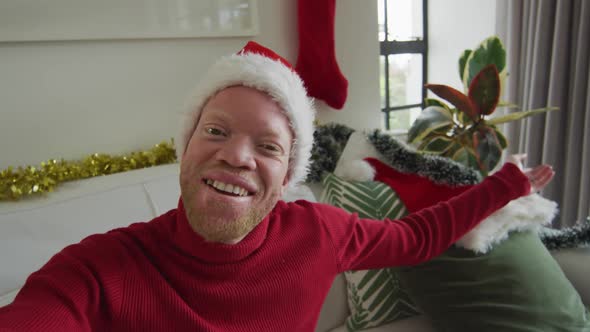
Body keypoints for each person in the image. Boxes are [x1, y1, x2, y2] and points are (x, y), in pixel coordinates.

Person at [0, 41, 554, 332]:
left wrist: (501, 186)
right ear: (186, 146)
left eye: (267, 146)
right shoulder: (99, 270)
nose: (236, 155)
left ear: (287, 175)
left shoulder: (321, 232)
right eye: (215, 131)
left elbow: (414, 238)